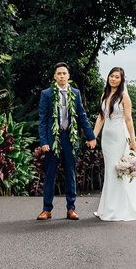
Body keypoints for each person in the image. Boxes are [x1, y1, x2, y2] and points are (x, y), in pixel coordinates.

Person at [92, 66, 136, 221]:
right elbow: (101, 117)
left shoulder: (124, 96)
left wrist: (133, 140)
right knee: (109, 171)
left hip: (119, 136)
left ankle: (120, 208)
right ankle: (107, 207)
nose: (113, 79)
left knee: (116, 170)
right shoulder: (104, 95)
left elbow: (128, 119)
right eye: (111, 76)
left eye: (117, 77)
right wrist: (93, 136)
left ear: (121, 80)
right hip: (107, 137)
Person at [36, 62, 96, 220]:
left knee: (70, 173)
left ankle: (71, 208)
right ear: (54, 76)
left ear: (69, 76)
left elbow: (82, 116)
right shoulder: (47, 94)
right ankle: (46, 209)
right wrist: (44, 141)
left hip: (69, 137)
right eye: (59, 73)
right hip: (52, 139)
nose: (62, 76)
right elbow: (42, 120)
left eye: (64, 73)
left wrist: (91, 137)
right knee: (50, 174)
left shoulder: (75, 93)